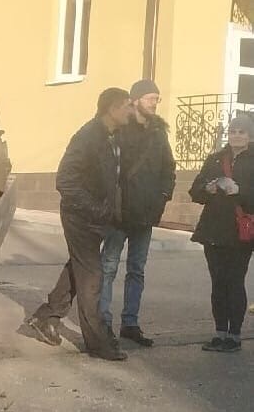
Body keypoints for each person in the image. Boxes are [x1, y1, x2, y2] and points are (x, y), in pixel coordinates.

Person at [24, 88, 134, 361]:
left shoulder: (112, 136)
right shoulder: (88, 137)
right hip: (80, 217)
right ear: (112, 109)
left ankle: (46, 316)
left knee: (79, 268)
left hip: (96, 218)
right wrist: (96, 209)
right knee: (92, 278)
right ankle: (97, 344)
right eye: (126, 106)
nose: (130, 111)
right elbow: (65, 180)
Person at [99, 80, 176, 346]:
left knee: (137, 270)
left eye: (157, 99)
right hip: (119, 213)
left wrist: (162, 198)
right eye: (151, 98)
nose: (155, 103)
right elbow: (106, 166)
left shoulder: (158, 133)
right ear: (136, 100)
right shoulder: (120, 129)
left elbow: (168, 169)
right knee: (108, 267)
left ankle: (130, 323)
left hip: (145, 213)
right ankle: (103, 323)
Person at [188, 114, 254, 352]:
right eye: (233, 131)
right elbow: (194, 191)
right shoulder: (215, 159)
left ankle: (234, 336)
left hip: (240, 233)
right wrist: (207, 188)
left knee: (234, 282)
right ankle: (219, 333)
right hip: (214, 230)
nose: (236, 136)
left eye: (242, 132)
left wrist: (239, 191)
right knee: (218, 282)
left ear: (250, 135)